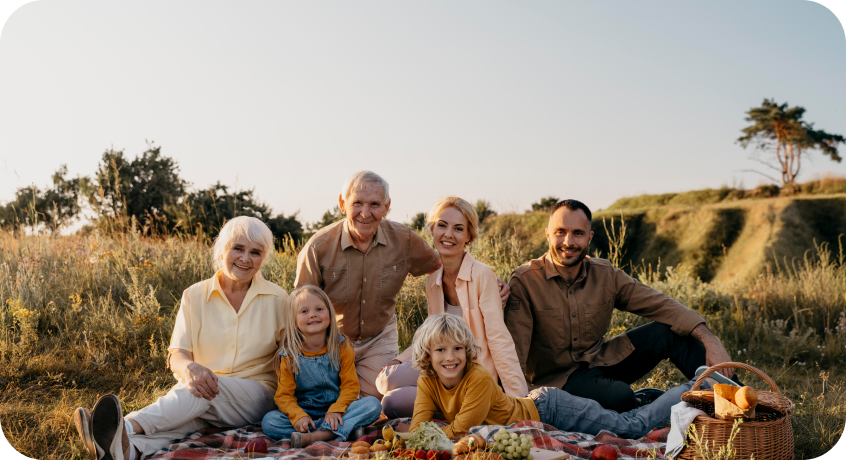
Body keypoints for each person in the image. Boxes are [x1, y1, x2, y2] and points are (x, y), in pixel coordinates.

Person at [73, 217, 288, 460]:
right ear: (222, 249)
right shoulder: (194, 295)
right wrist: (190, 368)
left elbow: (294, 356)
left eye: (255, 252)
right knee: (186, 418)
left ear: (264, 257)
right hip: (199, 390)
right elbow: (178, 355)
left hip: (256, 394)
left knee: (200, 393)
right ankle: (125, 451)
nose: (245, 258)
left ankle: (124, 426)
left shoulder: (279, 299)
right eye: (238, 248)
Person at [504, 199, 735, 413]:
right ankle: (642, 403)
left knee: (670, 333)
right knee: (620, 397)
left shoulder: (606, 274)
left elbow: (660, 304)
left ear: (589, 237)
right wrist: (521, 407)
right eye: (560, 232)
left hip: (601, 360)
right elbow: (515, 352)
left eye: (577, 233)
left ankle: (740, 402)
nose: (569, 242)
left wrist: (710, 339)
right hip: (559, 381)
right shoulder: (525, 281)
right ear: (547, 235)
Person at [296, 171, 510, 399]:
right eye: (357, 203)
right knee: (322, 398)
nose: (365, 213)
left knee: (371, 399)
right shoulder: (317, 247)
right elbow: (298, 310)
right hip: (332, 340)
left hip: (378, 340)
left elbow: (443, 263)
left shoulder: (404, 239)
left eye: (374, 204)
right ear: (342, 203)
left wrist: (488, 280)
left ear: (386, 207)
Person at [409, 314, 704, 439]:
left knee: (630, 428)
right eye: (441, 350)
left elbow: (461, 429)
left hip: (549, 408)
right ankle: (651, 398)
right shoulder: (427, 381)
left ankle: (699, 384)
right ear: (428, 354)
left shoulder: (477, 377)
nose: (451, 357)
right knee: (625, 421)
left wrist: (427, 436)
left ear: (467, 350)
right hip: (537, 407)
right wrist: (421, 436)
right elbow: (417, 427)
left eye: (458, 348)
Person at [378, 196, 526, 418]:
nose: (448, 234)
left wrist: (519, 404)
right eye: (442, 225)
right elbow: (431, 336)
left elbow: (498, 338)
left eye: (458, 228)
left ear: (469, 236)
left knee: (393, 398)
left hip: (471, 375)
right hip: (442, 368)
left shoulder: (482, 275)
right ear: (432, 229)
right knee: (388, 392)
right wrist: (399, 360)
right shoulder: (433, 282)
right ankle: (448, 409)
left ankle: (467, 407)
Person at [261, 286, 382, 447]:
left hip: (339, 409)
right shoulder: (289, 355)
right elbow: (284, 396)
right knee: (270, 421)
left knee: (373, 405)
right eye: (304, 311)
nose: (312, 314)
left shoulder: (341, 346)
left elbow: (350, 386)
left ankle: (315, 436)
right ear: (294, 320)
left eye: (319, 309)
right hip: (306, 414)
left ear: (330, 315)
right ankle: (343, 430)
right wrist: (298, 417)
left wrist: (336, 410)